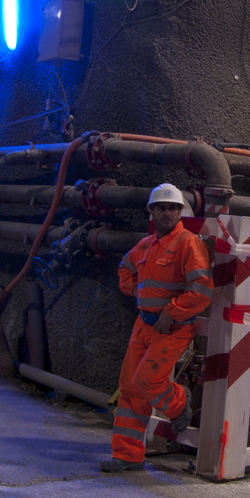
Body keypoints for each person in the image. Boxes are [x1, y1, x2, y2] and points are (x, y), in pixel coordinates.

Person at [102, 183, 211, 472]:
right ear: (152, 211)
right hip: (144, 325)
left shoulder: (189, 243)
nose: (167, 212)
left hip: (173, 328)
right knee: (129, 388)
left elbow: (201, 290)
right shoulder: (146, 245)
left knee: (147, 382)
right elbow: (125, 268)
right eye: (161, 207)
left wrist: (172, 312)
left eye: (172, 208)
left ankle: (178, 401)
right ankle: (127, 456)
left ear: (180, 212)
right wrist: (135, 291)